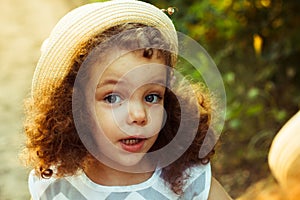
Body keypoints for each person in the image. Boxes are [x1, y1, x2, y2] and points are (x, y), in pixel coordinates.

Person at [21, 0, 231, 199]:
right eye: (112, 98)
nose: (139, 115)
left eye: (151, 96)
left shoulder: (187, 180)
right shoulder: (56, 187)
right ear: (74, 107)